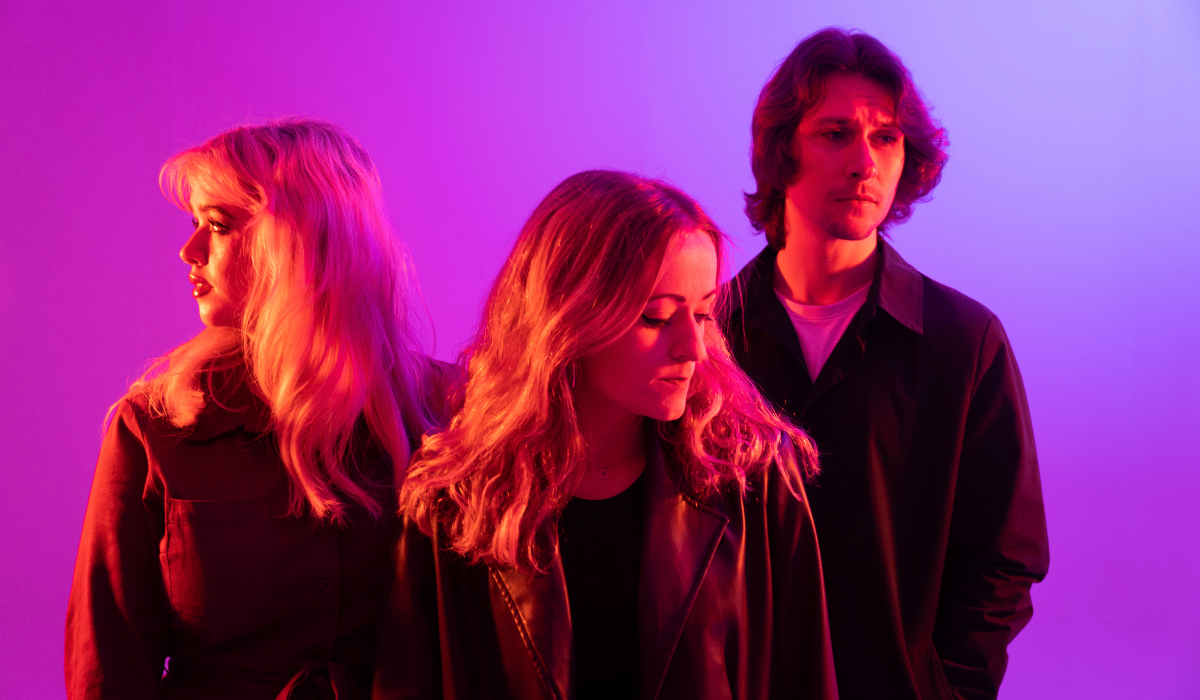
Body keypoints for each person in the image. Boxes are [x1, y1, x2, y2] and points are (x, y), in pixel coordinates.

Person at [372, 170, 838, 700]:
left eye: (705, 313)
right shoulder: (455, 500)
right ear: (569, 319)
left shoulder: (755, 476)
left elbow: (806, 677)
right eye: (657, 318)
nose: (694, 347)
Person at [65, 118, 445, 699]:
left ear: (303, 241)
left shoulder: (443, 413)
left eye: (217, 225)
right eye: (196, 223)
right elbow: (108, 665)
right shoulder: (154, 429)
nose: (189, 251)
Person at [727, 28, 1050, 699]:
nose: (865, 161)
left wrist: (946, 687)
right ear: (783, 148)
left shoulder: (965, 341)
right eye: (836, 133)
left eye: (886, 137)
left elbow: (1004, 560)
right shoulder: (707, 335)